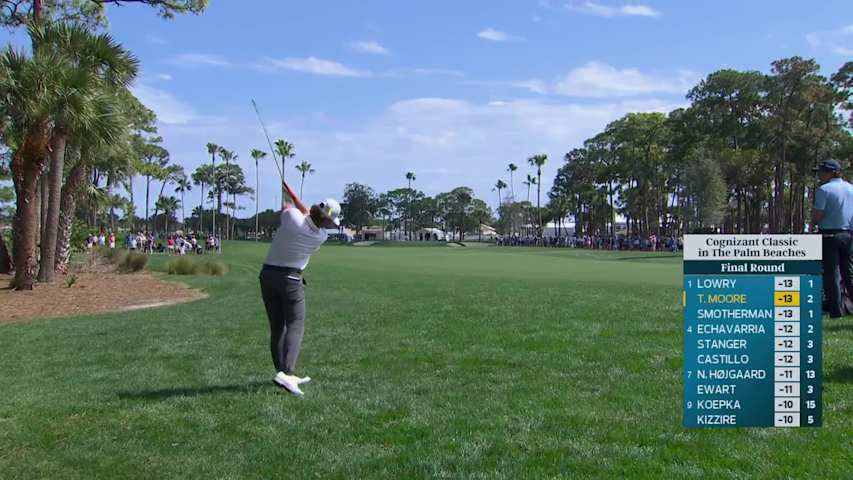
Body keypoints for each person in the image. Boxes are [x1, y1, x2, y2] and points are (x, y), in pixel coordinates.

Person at [259, 180, 341, 397]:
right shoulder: (321, 236)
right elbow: (311, 216)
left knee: (277, 327)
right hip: (291, 280)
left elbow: (296, 210)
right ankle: (287, 373)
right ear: (328, 222)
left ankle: (283, 373)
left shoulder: (292, 219)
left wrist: (289, 195)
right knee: (296, 324)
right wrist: (293, 195)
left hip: (267, 276)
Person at [812, 159, 853, 318]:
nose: (819, 175)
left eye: (821, 172)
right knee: (848, 274)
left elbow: (818, 215)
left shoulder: (824, 190)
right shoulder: (851, 188)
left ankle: (836, 312)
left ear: (830, 172)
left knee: (832, 274)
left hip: (829, 235)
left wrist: (813, 222)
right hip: (848, 235)